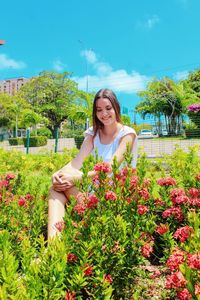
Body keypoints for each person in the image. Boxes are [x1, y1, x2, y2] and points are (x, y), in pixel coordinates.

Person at [48, 89, 138, 239]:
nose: (104, 114)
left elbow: (110, 168)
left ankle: (91, 230)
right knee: (55, 188)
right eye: (99, 110)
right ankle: (53, 245)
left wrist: (75, 179)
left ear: (116, 107)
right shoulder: (93, 133)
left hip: (114, 197)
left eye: (108, 108)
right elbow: (76, 162)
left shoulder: (127, 134)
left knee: (66, 185)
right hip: (93, 192)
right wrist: (57, 174)